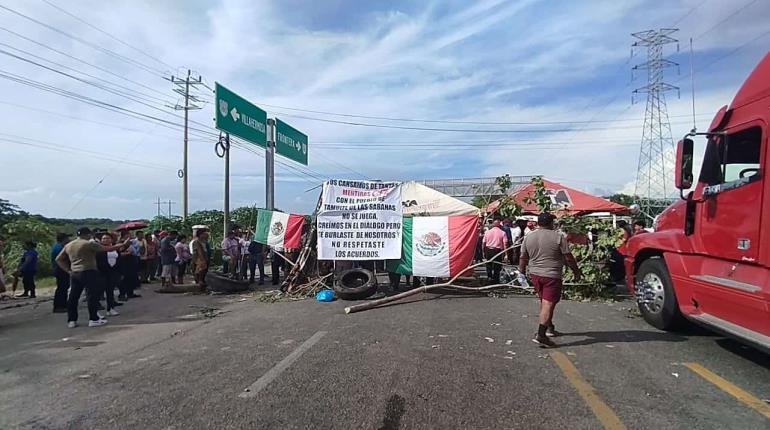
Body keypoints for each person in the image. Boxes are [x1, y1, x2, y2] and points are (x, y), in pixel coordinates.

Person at [519, 212, 582, 348]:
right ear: (551, 223)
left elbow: (523, 257)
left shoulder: (528, 237)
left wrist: (521, 272)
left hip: (535, 274)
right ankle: (541, 335)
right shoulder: (558, 237)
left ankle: (549, 327)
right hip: (551, 275)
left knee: (544, 301)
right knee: (548, 304)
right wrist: (576, 272)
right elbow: (568, 257)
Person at [56, 227, 128, 328]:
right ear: (88, 234)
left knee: (73, 296)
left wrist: (68, 271)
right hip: (88, 271)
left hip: (75, 272)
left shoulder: (69, 245)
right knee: (92, 296)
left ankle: (72, 320)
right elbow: (107, 249)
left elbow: (59, 259)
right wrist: (122, 244)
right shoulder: (89, 243)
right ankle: (93, 319)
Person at [96, 233, 121, 316]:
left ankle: (110, 308)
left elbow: (119, 258)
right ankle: (95, 311)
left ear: (111, 239)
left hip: (112, 271)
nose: (105, 240)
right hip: (102, 272)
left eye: (107, 238)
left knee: (110, 291)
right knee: (98, 291)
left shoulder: (115, 248)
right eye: (103, 238)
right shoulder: (99, 249)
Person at [482, 220, 508, 284]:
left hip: (489, 250)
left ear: (493, 225)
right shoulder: (502, 233)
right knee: (497, 266)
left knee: (489, 265)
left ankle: (489, 277)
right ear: (499, 225)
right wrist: (506, 254)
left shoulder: (487, 232)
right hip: (498, 251)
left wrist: (483, 251)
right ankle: (496, 279)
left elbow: (483, 243)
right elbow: (505, 244)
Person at [117, 230, 141, 300]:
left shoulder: (130, 243)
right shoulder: (120, 243)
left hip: (131, 263)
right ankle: (122, 295)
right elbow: (119, 253)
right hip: (125, 263)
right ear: (125, 235)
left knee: (131, 278)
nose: (130, 236)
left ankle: (130, 293)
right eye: (128, 235)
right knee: (124, 280)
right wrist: (127, 253)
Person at [51, 233, 71, 312]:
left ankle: (63, 304)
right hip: (61, 270)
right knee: (62, 288)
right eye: (68, 238)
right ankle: (59, 306)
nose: (69, 239)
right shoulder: (59, 248)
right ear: (64, 239)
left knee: (63, 287)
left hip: (60, 269)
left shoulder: (57, 246)